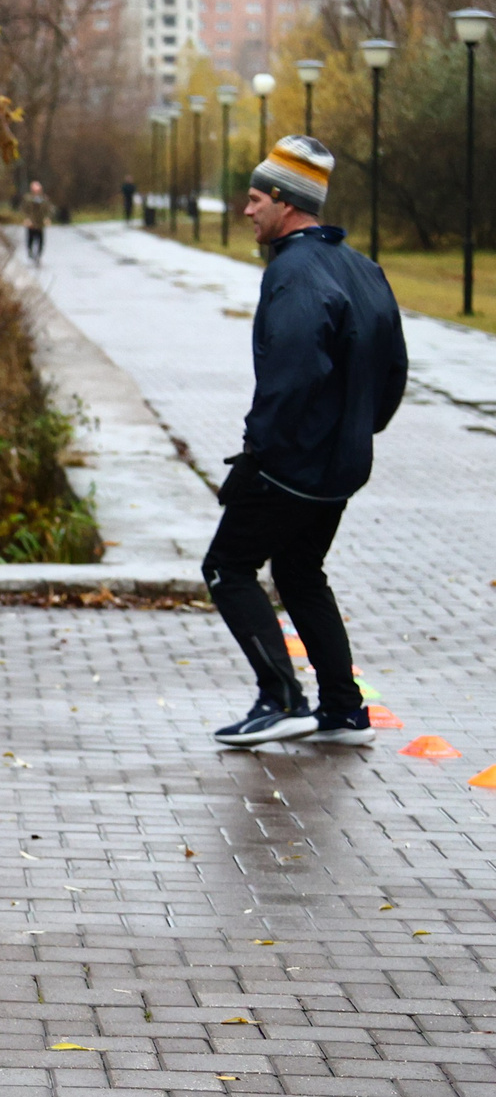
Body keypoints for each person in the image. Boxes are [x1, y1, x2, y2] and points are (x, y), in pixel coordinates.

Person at [204, 136, 406, 747]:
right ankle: (344, 709)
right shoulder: (360, 267)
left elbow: (288, 378)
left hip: (290, 465)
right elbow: (393, 370)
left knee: (227, 567)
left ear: (286, 204)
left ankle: (281, 698)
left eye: (255, 198)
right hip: (341, 466)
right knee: (299, 571)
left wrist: (256, 458)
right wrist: (356, 432)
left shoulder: (293, 273)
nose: (247, 211)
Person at [22, 181, 51, 265]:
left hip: (40, 223)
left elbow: (48, 209)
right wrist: (26, 219)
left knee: (40, 240)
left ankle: (38, 255)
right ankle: (30, 252)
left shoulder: (44, 199)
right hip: (31, 223)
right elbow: (24, 210)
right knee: (30, 239)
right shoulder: (27, 198)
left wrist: (47, 218)